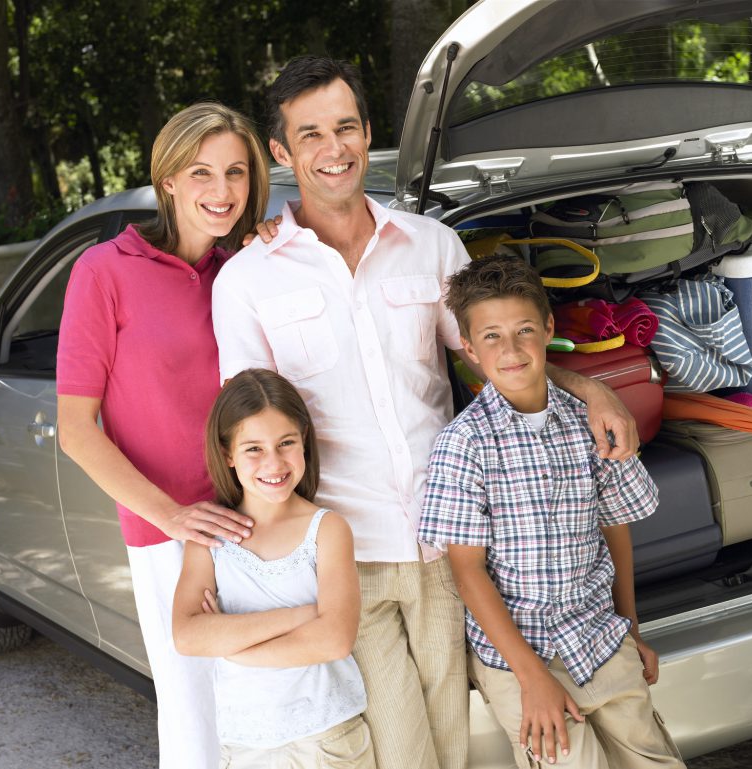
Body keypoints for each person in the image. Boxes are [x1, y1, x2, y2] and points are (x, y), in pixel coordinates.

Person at [211, 55, 638, 769]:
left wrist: (588, 387)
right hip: (350, 557)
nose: (334, 148)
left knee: (449, 742)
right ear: (281, 152)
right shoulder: (247, 280)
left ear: (368, 132)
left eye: (346, 127)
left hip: (450, 544)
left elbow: (494, 355)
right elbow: (250, 433)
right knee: (403, 750)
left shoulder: (432, 245)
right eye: (310, 134)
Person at [56, 102, 270, 769]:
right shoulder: (104, 271)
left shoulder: (244, 272)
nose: (223, 190)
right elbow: (75, 429)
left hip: (260, 520)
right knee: (197, 718)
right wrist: (174, 518)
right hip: (168, 536)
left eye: (236, 172)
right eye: (201, 171)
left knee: (276, 709)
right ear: (168, 179)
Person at [418, 254, 685, 769]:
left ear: (548, 329)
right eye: (491, 337)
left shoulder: (591, 422)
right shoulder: (464, 443)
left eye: (523, 330)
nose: (511, 349)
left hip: (600, 638)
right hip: (521, 659)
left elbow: (615, 527)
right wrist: (532, 678)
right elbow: (467, 571)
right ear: (469, 348)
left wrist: (630, 627)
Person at [172, 368, 375, 769]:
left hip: (326, 739)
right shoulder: (210, 539)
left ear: (304, 442)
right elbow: (189, 636)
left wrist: (235, 646)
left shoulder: (327, 529)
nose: (274, 462)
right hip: (245, 743)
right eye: (253, 449)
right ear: (228, 453)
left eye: (286, 443)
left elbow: (333, 640)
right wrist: (301, 616)